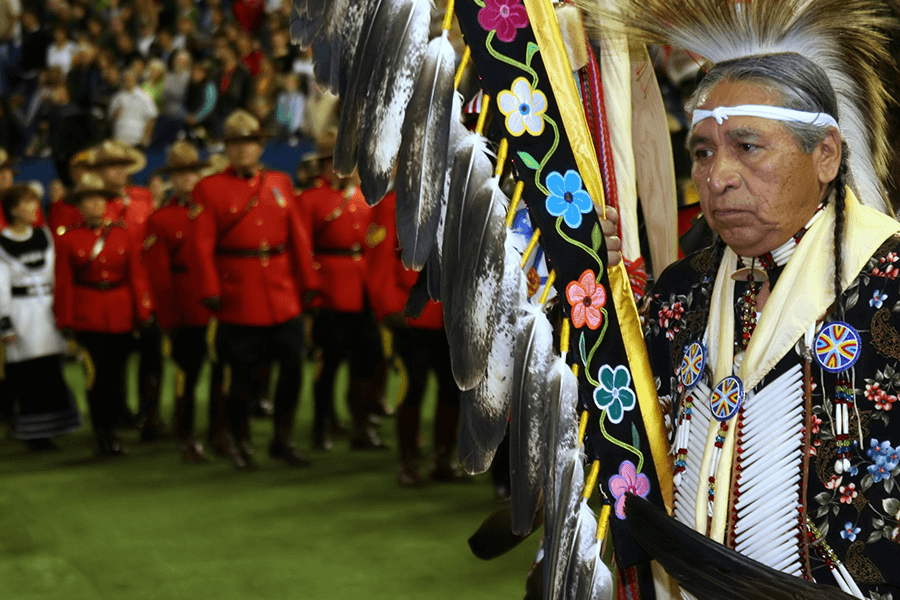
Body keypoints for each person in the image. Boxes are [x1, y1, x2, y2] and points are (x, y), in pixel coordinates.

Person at [602, 44, 900, 600]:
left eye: (746, 147)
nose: (718, 178)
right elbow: (619, 433)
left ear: (827, 155)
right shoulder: (681, 290)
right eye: (703, 152)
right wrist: (586, 290)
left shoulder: (890, 284)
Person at [190, 109, 321, 469]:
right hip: (239, 294)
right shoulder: (209, 188)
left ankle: (282, 437)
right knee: (242, 378)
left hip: (281, 293)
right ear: (227, 149)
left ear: (260, 147)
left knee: (292, 370)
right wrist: (211, 289)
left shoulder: (278, 182)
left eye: (250, 143)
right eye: (236, 144)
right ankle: (238, 438)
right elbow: (201, 246)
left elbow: (297, 236)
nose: (244, 150)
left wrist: (308, 282)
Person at [367, 191, 466, 485]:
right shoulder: (392, 203)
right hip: (410, 315)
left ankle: (442, 460)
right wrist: (388, 308)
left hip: (450, 315)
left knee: (452, 389)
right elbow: (380, 260)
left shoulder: (458, 199)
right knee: (413, 388)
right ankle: (407, 462)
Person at [54, 173, 153, 456]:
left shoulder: (121, 233)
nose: (95, 206)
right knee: (95, 378)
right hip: (88, 316)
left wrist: (142, 311)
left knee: (117, 375)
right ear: (79, 206)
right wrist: (66, 321)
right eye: (89, 201)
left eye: (100, 200)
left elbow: (136, 275)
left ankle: (114, 428)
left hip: (120, 313)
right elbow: (64, 283)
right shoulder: (69, 239)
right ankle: (102, 434)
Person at [297, 150, 388, 452]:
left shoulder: (367, 197)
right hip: (329, 290)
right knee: (329, 363)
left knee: (367, 362)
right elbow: (302, 246)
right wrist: (310, 291)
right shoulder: (310, 199)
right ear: (325, 166)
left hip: (363, 290)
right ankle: (321, 426)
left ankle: (361, 427)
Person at [144, 141, 218, 462]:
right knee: (186, 375)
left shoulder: (214, 210)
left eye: (192, 173)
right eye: (179, 174)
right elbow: (159, 278)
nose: (187, 179)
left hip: (222, 305)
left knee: (224, 373)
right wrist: (169, 320)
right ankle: (185, 434)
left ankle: (221, 432)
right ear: (171, 179)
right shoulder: (161, 219)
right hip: (186, 307)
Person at [87, 139, 164, 440]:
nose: (115, 172)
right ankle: (118, 414)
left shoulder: (143, 197)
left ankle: (150, 416)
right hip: (111, 291)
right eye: (108, 167)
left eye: (119, 166)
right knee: (113, 361)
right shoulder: (90, 202)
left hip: (146, 290)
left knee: (152, 356)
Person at [0, 184, 81, 450]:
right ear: (13, 210)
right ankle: (32, 431)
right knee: (26, 373)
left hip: (47, 309)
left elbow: (57, 274)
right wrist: (5, 322)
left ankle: (57, 424)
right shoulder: (2, 243)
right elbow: (1, 286)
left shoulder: (45, 236)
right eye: (28, 203)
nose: (34, 207)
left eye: (35, 202)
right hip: (21, 311)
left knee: (51, 368)